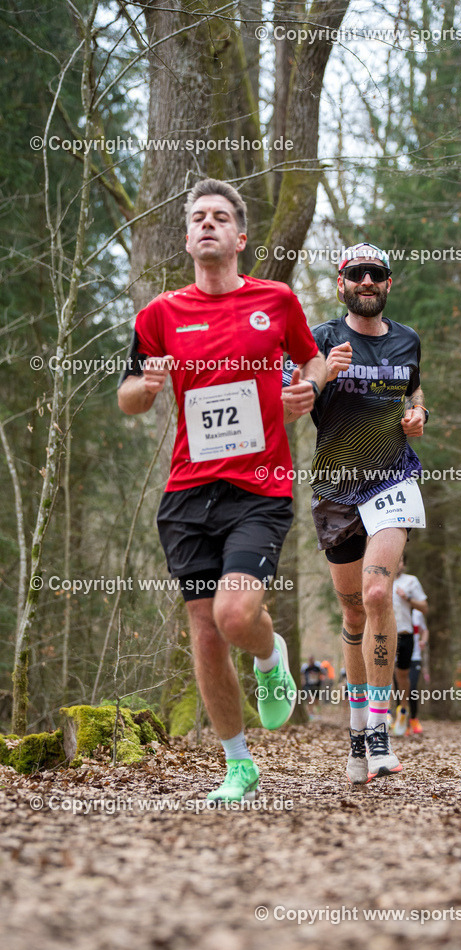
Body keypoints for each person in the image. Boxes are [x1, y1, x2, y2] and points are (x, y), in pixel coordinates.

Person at [118, 178, 326, 804]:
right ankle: (238, 765)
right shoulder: (159, 315)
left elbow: (311, 360)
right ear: (187, 238)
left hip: (260, 487)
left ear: (240, 237)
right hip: (187, 491)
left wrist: (307, 389)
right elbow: (127, 396)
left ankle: (270, 654)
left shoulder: (278, 300)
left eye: (220, 217)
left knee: (235, 615)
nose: (208, 225)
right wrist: (148, 387)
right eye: (198, 218)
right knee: (205, 630)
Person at [309, 242, 429, 784]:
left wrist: (419, 411)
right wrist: (323, 377)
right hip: (336, 490)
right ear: (342, 283)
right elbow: (290, 399)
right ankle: (357, 733)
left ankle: (379, 731)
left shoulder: (407, 340)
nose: (366, 281)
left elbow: (414, 386)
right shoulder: (322, 340)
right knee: (354, 615)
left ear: (387, 283)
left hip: (392, 480)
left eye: (375, 273)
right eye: (356, 273)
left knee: (379, 593)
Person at [392, 554, 428, 735]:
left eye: (399, 560)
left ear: (404, 564)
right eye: (393, 559)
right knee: (383, 676)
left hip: (405, 634)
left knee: (403, 677)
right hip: (383, 634)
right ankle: (383, 715)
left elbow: (424, 607)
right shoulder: (380, 579)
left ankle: (403, 711)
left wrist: (407, 598)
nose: (396, 563)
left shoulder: (410, 581)